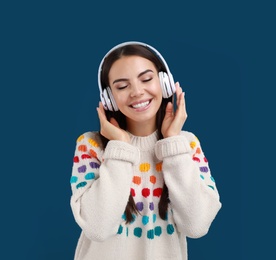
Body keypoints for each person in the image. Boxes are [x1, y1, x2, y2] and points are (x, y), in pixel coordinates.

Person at [70, 41, 222, 260]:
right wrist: (120, 145)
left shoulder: (186, 145)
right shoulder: (90, 145)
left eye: (147, 79)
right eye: (122, 86)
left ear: (165, 83)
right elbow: (98, 228)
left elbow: (196, 226)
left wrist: (173, 144)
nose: (137, 92)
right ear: (109, 98)